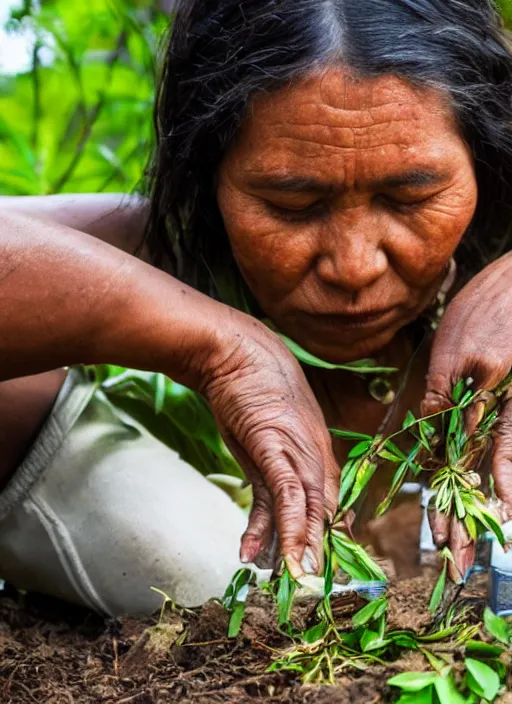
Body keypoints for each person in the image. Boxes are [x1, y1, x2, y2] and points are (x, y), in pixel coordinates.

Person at [0, 0, 511, 616]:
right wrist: (217, 347)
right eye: (292, 207)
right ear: (208, 177)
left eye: (410, 197)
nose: (354, 266)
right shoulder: (154, 254)